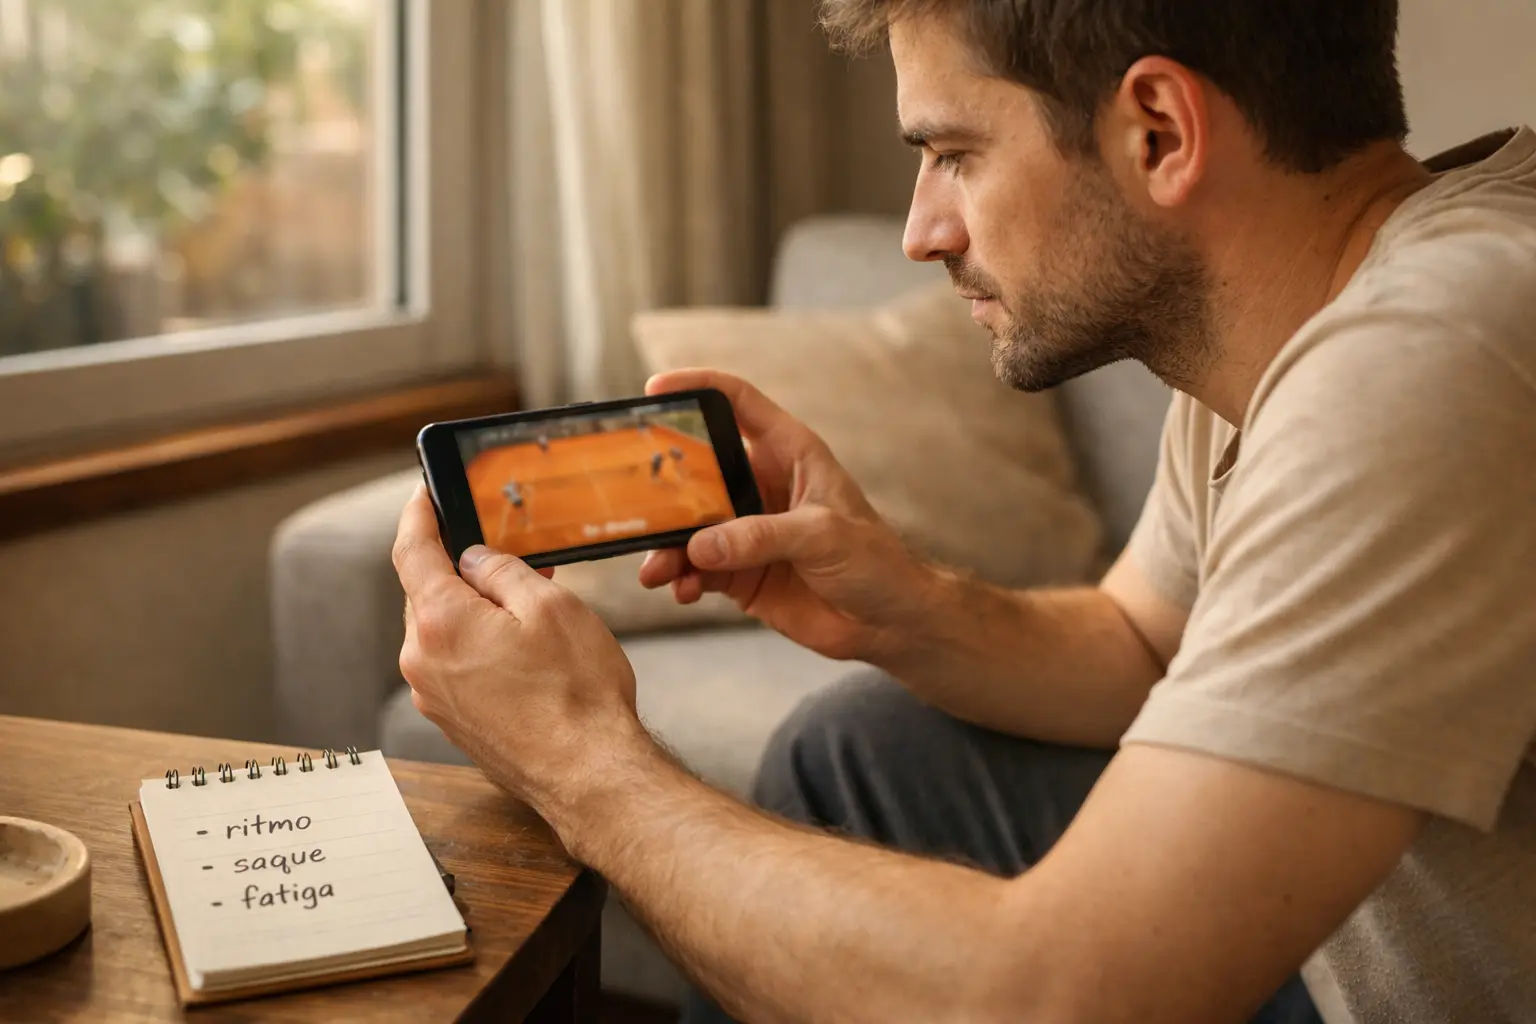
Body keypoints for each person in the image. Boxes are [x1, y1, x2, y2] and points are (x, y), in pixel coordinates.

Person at [390, 1, 1536, 1021]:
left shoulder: (1431, 354)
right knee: (861, 750)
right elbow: (1146, 642)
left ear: (1160, 133)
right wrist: (901, 604)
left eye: (952, 154)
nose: (920, 231)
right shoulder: (1287, 317)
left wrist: (578, 762)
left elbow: (1064, 990)